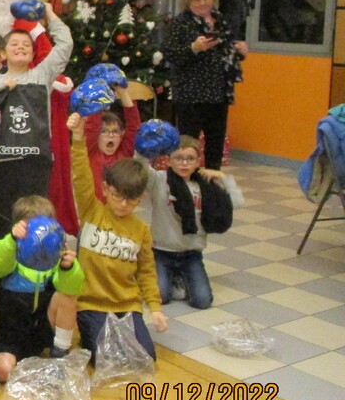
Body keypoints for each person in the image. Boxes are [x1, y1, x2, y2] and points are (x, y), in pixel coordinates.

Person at [0, 3, 73, 248]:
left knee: (35, 220)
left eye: (26, 45)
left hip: (36, 164)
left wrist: (50, 14)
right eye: (14, 44)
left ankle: (36, 260)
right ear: (3, 54)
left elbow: (65, 45)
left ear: (32, 53)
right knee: (3, 222)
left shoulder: (42, 75)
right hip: (2, 165)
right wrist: (0, 84)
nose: (21, 47)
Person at [67, 113, 167, 361]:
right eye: (117, 196)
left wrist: (155, 308)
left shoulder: (141, 229)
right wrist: (78, 138)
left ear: (141, 198)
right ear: (105, 189)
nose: (123, 204)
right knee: (104, 357)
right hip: (91, 305)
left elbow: (146, 272)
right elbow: (80, 174)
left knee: (145, 357)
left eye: (131, 200)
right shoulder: (92, 210)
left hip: (127, 306)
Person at [0, 196, 84, 384]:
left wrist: (68, 268)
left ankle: (60, 353)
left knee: (66, 296)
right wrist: (12, 240)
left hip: (43, 330)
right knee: (2, 370)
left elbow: (72, 288)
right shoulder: (9, 248)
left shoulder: (57, 255)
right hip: (11, 334)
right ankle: (35, 374)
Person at [141, 136, 242, 309]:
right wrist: (145, 145)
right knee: (160, 297)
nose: (184, 163)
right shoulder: (159, 180)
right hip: (162, 252)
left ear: (198, 161)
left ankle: (180, 278)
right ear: (168, 160)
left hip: (191, 254)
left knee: (202, 301)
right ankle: (170, 278)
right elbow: (140, 166)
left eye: (190, 159)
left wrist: (223, 178)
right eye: (178, 158)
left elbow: (236, 203)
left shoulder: (204, 183)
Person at [163, 0, 248, 170]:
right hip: (190, 93)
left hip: (219, 91)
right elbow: (170, 53)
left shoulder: (220, 20)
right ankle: (184, 178)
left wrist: (240, 50)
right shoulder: (180, 23)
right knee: (188, 142)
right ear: (188, 0)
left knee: (215, 142)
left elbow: (227, 50)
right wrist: (194, 48)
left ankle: (211, 179)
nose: (203, 3)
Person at [84, 83, 142, 201]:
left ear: (121, 135)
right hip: (94, 208)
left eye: (115, 131)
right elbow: (92, 127)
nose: (110, 135)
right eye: (104, 131)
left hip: (119, 206)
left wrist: (123, 93)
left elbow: (134, 126)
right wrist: (99, 95)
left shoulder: (124, 153)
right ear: (96, 136)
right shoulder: (91, 153)